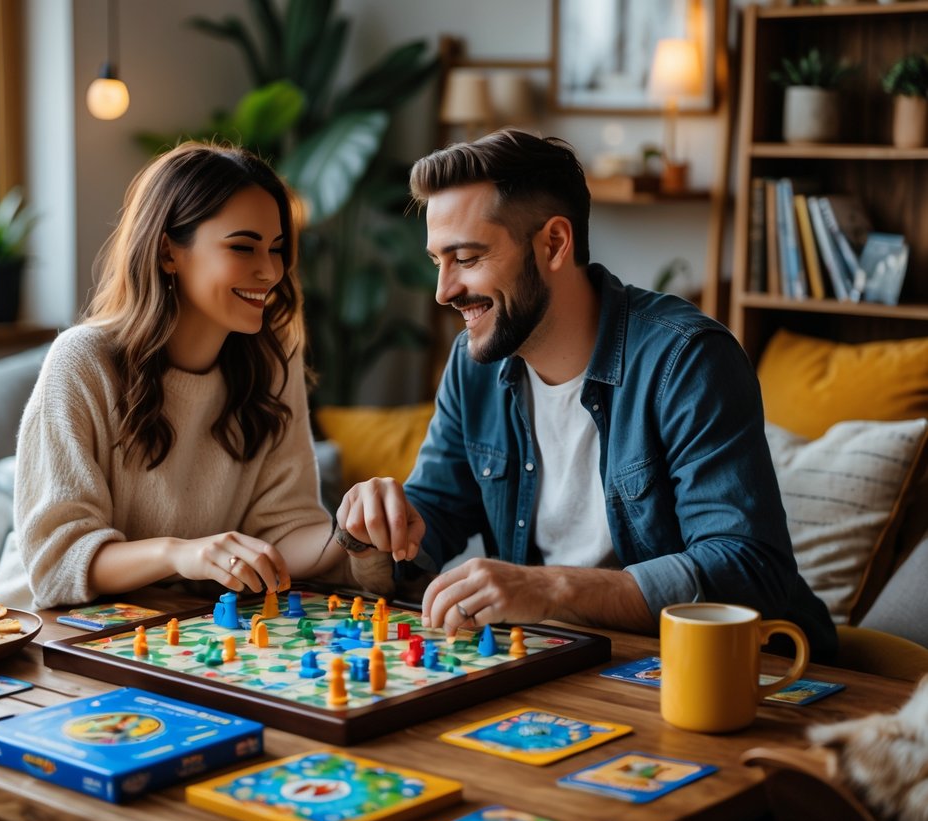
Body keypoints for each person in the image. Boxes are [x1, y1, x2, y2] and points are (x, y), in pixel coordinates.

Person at [336, 128, 837, 660]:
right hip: (565, 664)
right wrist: (370, 536)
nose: (444, 291)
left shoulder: (687, 358)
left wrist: (549, 588)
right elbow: (423, 531)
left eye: (467, 257)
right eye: (439, 261)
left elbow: (747, 568)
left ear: (554, 243)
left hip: (744, 672)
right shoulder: (473, 364)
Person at [0, 142, 377, 610]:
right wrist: (181, 554)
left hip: (169, 631)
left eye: (276, 248)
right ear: (169, 251)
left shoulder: (272, 363)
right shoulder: (82, 361)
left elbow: (284, 530)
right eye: (242, 246)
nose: (270, 271)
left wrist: (355, 532)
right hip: (37, 631)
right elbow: (59, 561)